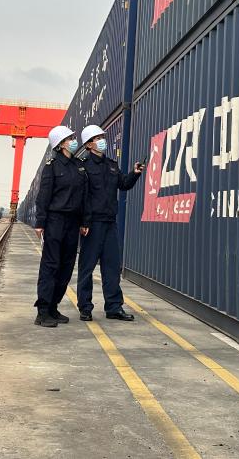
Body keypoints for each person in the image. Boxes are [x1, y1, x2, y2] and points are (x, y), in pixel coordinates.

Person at [76, 124, 144, 321]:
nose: (102, 141)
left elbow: (124, 184)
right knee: (87, 267)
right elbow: (81, 197)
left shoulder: (112, 165)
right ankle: (85, 307)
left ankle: (114, 307)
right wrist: (83, 222)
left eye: (102, 137)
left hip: (109, 224)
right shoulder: (83, 166)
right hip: (91, 224)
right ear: (89, 144)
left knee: (112, 267)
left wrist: (135, 173)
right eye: (98, 138)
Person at [33, 125, 87, 327]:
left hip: (73, 222)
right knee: (51, 265)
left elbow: (83, 196)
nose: (74, 141)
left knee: (66, 266)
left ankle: (53, 307)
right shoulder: (52, 166)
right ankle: (42, 312)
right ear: (61, 144)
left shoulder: (78, 166)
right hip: (55, 221)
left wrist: (84, 221)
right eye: (70, 138)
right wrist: (40, 223)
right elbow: (43, 196)